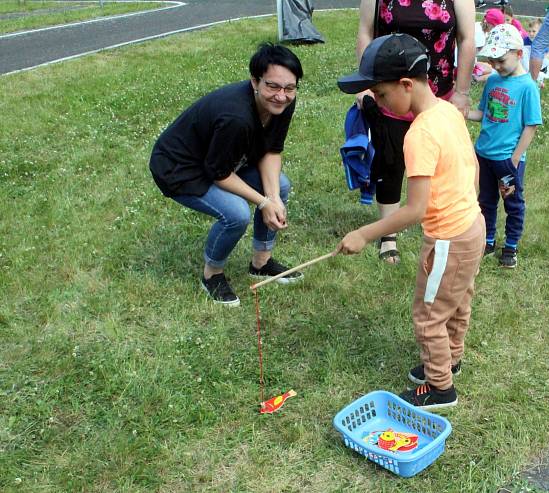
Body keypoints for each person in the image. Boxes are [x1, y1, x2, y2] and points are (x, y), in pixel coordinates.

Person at [337, 34, 485, 410]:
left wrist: (364, 234)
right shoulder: (449, 111)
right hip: (472, 226)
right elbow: (472, 167)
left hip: (448, 238)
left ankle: (440, 387)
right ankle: (450, 359)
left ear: (406, 85)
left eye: (382, 95)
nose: (380, 103)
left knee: (428, 314)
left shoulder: (419, 134)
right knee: (458, 300)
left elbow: (415, 209)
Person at [149, 43, 304, 307]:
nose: (281, 96)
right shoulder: (236, 117)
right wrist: (263, 202)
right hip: (180, 168)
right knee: (236, 214)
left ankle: (261, 263)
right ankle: (212, 275)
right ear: (254, 81)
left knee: (281, 185)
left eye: (289, 88)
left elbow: (272, 151)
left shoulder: (283, 103)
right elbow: (218, 173)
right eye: (273, 87)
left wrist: (273, 197)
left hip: (221, 160)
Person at [355, 0, 475, 264]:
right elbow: (366, 30)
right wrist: (367, 88)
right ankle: (389, 233)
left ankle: (451, 217)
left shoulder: (433, 124)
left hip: (436, 87)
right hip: (392, 86)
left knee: (441, 161)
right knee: (390, 160)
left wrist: (462, 93)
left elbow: (467, 38)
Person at [468, 24, 541, 269]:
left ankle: (510, 246)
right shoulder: (492, 81)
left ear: (518, 54)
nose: (496, 66)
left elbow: (531, 125)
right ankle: (488, 240)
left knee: (512, 202)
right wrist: (465, 113)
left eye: (500, 60)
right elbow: (483, 113)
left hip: (507, 161)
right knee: (485, 200)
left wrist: (515, 158)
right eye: (492, 60)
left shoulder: (527, 87)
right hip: (484, 155)